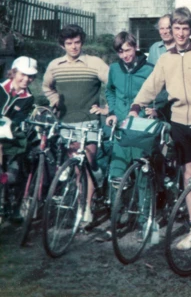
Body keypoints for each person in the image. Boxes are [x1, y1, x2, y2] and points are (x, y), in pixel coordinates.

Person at [131, 7, 191, 252]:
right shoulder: (166, 59)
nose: (181, 33)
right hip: (179, 123)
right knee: (188, 175)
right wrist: (136, 106)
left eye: (185, 28)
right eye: (177, 28)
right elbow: (152, 86)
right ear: (171, 30)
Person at [43, 24, 109, 224]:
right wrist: (55, 101)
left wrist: (107, 109)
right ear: (62, 45)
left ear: (82, 42)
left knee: (88, 164)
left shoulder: (94, 63)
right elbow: (47, 87)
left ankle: (88, 207)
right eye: (69, 43)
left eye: (77, 42)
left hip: (89, 122)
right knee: (78, 168)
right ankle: (83, 203)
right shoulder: (55, 66)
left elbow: (113, 85)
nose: (74, 47)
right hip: (67, 123)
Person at [105, 32, 155, 182]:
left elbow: (160, 92)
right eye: (120, 52)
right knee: (117, 170)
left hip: (140, 125)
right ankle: (116, 204)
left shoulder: (149, 69)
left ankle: (143, 206)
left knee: (142, 171)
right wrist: (112, 112)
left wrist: (154, 109)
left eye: (128, 50)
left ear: (136, 47)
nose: (124, 55)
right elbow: (110, 90)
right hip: (120, 124)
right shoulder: (114, 69)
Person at [0, 56, 37, 221]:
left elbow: (19, 119)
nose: (26, 79)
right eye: (23, 74)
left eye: (30, 76)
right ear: (14, 72)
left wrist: (9, 127)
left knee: (15, 171)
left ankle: (10, 204)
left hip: (10, 137)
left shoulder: (28, 98)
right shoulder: (1, 88)